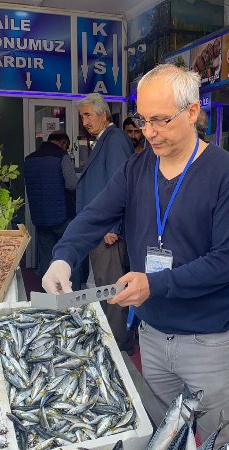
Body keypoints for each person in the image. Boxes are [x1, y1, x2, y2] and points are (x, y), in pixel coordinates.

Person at [43, 64, 229, 450]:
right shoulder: (138, 170)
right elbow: (93, 217)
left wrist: (155, 285)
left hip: (209, 342)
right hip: (154, 340)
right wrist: (63, 258)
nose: (150, 132)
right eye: (142, 119)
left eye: (161, 120)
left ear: (192, 111)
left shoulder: (227, 174)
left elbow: (224, 263)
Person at [75, 93, 135, 352]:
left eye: (88, 115)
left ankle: (118, 344)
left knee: (112, 289)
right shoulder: (104, 140)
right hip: (98, 230)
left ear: (103, 114)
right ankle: (110, 337)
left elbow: (121, 186)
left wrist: (113, 228)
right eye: (82, 117)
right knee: (104, 286)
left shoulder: (116, 139)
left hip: (107, 232)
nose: (84, 121)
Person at [23, 131, 80, 280]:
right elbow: (72, 185)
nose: (66, 150)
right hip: (62, 216)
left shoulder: (29, 159)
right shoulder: (61, 156)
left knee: (46, 257)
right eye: (66, 146)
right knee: (68, 253)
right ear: (62, 143)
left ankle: (46, 295)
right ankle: (70, 290)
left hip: (39, 216)